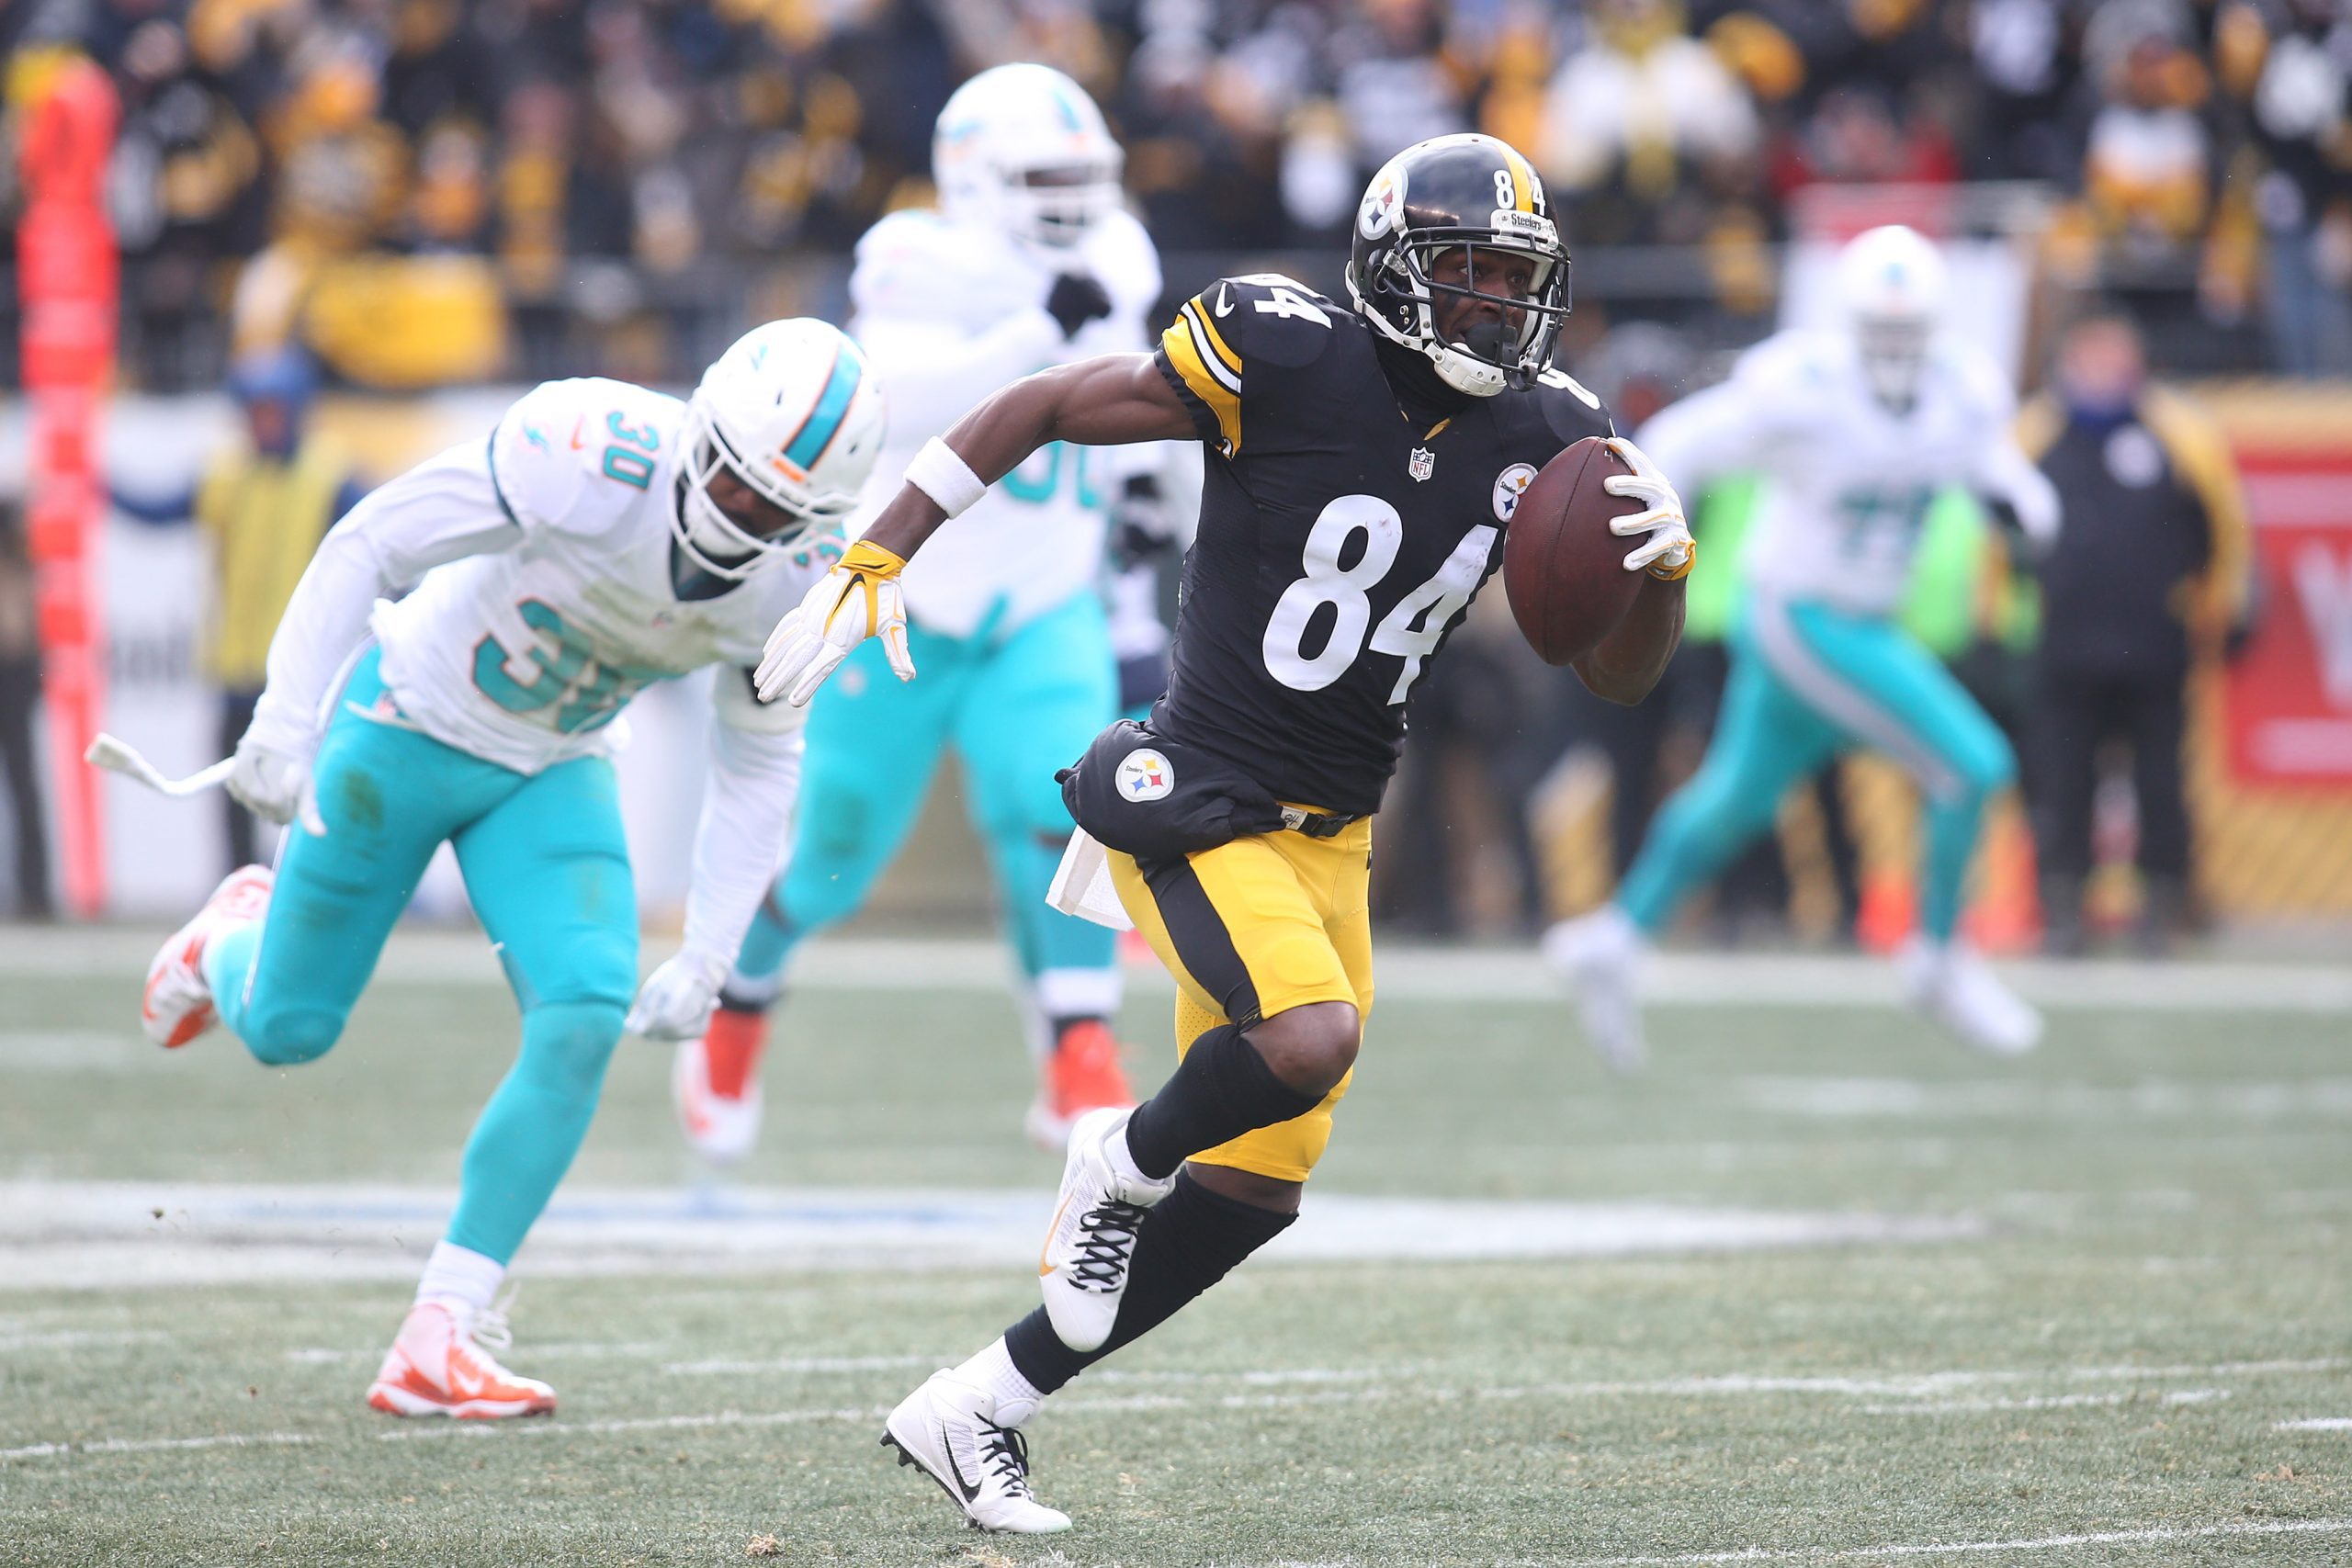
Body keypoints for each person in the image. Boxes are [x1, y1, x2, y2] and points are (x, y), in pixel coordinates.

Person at [756, 132, 1693, 1533]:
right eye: (1466, 275)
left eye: (1516, 280)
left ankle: (979, 1409)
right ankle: (1115, 1159)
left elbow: (1615, 671)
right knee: (1307, 1037)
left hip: (1333, 838)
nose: (1496, 308)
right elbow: (1047, 401)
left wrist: (1664, 573)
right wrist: (879, 550)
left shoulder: (1553, 428)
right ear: (1387, 271)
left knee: (1259, 1188)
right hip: (1193, 785)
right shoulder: (1282, 346)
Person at [136, 319, 885, 1417]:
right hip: (405, 722)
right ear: (700, 428)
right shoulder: (588, 449)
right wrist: (286, 719)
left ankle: (439, 1331)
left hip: (551, 766)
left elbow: (760, 761)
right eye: (732, 481)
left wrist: (713, 950)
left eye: (778, 511)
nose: (742, 518)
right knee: (291, 1028)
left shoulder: (800, 585)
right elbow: (371, 542)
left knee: (585, 1009)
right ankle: (226, 941)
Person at [671, 64, 1164, 1164]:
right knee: (832, 846)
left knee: (1081, 823)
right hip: (905, 597)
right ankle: (737, 1007)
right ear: (974, 178)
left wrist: (1145, 497)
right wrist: (1027, 337)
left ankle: (1078, 1047)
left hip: (1046, 592)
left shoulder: (1122, 254)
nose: (1073, 199)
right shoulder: (914, 256)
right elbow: (893, 397)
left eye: (1086, 176)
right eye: (1045, 176)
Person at [1546, 225, 2060, 1070]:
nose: (1894, 350)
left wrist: (2025, 515)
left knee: (1734, 802)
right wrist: (1637, 538)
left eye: (1908, 333)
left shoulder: (1962, 393)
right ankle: (1935, 959)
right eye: (1879, 332)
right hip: (1805, 615)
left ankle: (1613, 936)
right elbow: (1680, 444)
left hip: (1856, 621)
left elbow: (2010, 482)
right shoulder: (1805, 385)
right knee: (1972, 765)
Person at [2016, 310, 2251, 953]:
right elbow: (1994, 536)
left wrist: (2223, 613)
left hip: (2153, 642)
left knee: (2160, 782)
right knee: (2063, 781)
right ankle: (2064, 907)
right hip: (2063, 644)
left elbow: (2222, 533)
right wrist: (2001, 624)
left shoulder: (2180, 433)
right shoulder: (2036, 432)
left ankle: (2166, 903)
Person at [112, 347, 368, 872]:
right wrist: (92, 483)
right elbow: (158, 509)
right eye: (256, 411)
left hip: (306, 673)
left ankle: (315, 884)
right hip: (236, 668)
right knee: (234, 791)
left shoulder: (330, 478)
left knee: (313, 790)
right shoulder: (225, 475)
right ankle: (238, 888)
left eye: (273, 411)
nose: (263, 424)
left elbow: (380, 545)